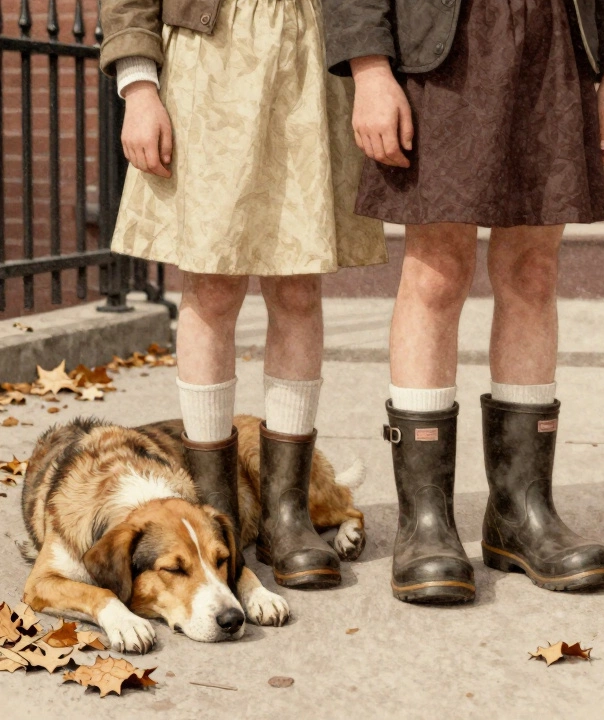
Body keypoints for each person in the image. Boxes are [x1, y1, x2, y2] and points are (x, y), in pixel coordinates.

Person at [323, 0, 604, 604]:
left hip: (555, 45)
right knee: (438, 271)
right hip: (441, 47)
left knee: (534, 270)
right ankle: (425, 523)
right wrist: (369, 68)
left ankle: (521, 513)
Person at [100, 0, 386, 590]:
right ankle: (216, 513)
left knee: (299, 288)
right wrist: (139, 88)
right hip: (209, 61)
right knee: (210, 287)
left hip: (311, 57)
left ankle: (287, 514)